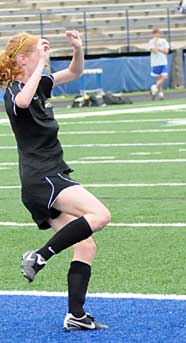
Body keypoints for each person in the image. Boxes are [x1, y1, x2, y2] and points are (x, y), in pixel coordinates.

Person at [0, 31, 111, 331]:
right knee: (101, 215)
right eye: (39, 50)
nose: (44, 55)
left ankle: (76, 315)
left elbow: (75, 72)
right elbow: (23, 101)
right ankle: (38, 256)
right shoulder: (13, 91)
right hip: (42, 178)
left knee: (86, 247)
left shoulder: (41, 84)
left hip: (51, 175)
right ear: (23, 58)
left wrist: (78, 49)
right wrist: (40, 65)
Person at [148, 27, 170, 100]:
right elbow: (154, 51)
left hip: (163, 61)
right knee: (158, 79)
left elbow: (166, 51)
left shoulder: (164, 41)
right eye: (155, 33)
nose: (157, 35)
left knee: (164, 77)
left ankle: (154, 88)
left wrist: (160, 49)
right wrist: (155, 43)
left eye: (158, 33)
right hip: (155, 63)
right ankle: (160, 93)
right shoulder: (151, 42)